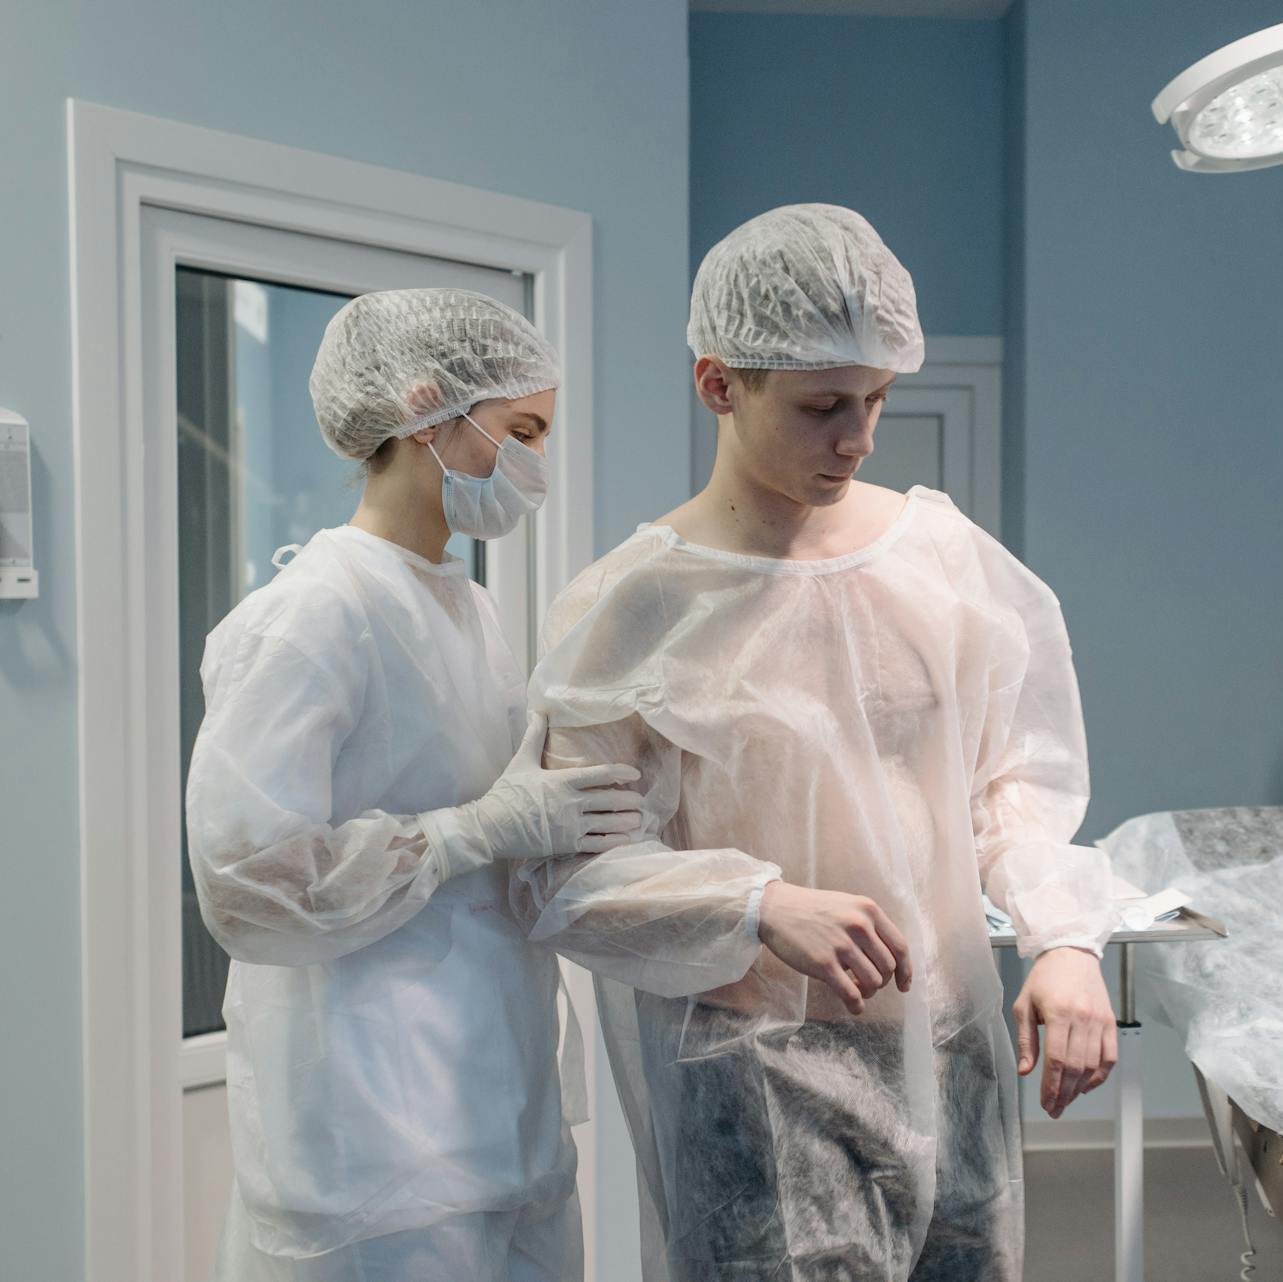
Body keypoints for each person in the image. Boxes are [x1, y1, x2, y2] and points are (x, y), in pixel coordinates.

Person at [509, 204, 1118, 1280]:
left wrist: (1064, 938)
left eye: (878, 399)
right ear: (718, 385)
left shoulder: (940, 557)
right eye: (824, 405)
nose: (860, 437)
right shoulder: (634, 607)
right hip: (759, 1083)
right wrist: (757, 903)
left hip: (948, 1050)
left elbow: (1012, 780)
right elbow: (569, 869)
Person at [185, 288, 645, 1281]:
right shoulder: (312, 613)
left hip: (497, 1113)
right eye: (521, 429)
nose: (535, 464)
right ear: (429, 409)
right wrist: (471, 832)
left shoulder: (469, 606)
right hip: (369, 1145)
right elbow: (247, 883)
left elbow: (497, 815)